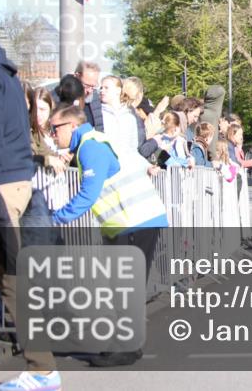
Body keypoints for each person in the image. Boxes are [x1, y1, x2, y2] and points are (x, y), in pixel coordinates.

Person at [48, 103, 169, 367]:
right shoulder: (92, 142)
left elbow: (88, 194)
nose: (52, 134)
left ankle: (125, 348)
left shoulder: (91, 147)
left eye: (54, 128)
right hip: (132, 221)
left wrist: (55, 218)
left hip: (135, 221)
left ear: (72, 126)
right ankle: (128, 346)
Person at [0, 36, 61, 391]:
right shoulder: (4, 74)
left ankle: (43, 369)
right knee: (7, 276)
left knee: (10, 279)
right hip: (12, 182)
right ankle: (42, 367)